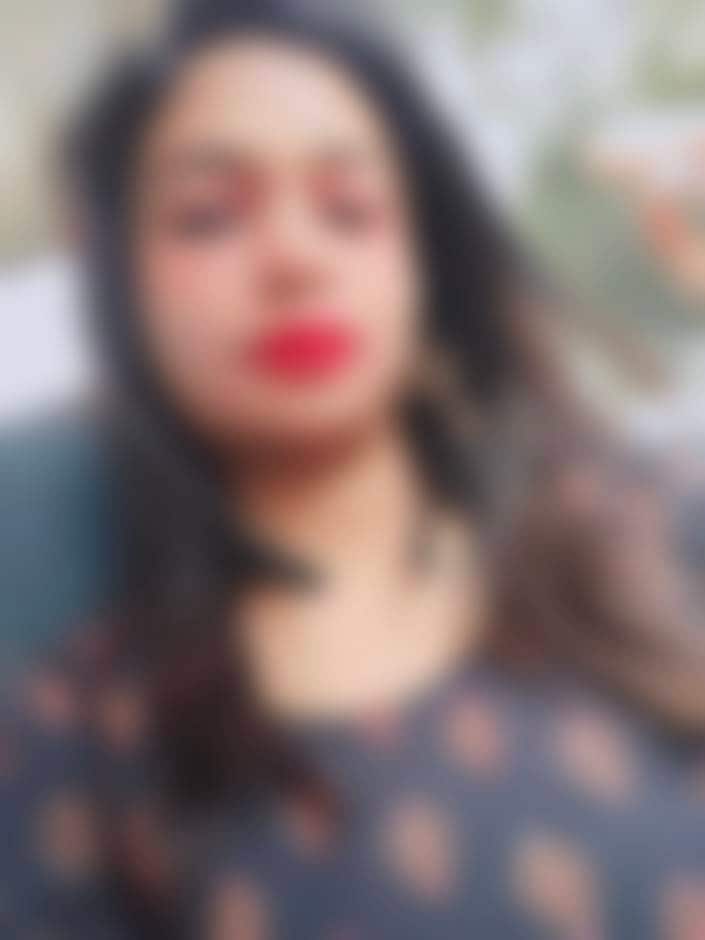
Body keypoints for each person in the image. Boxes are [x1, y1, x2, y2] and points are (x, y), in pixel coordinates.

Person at [2, 2, 705, 937]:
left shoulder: (656, 528)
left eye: (349, 209)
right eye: (208, 217)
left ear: (426, 266)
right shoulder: (74, 744)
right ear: (124, 287)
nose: (294, 257)